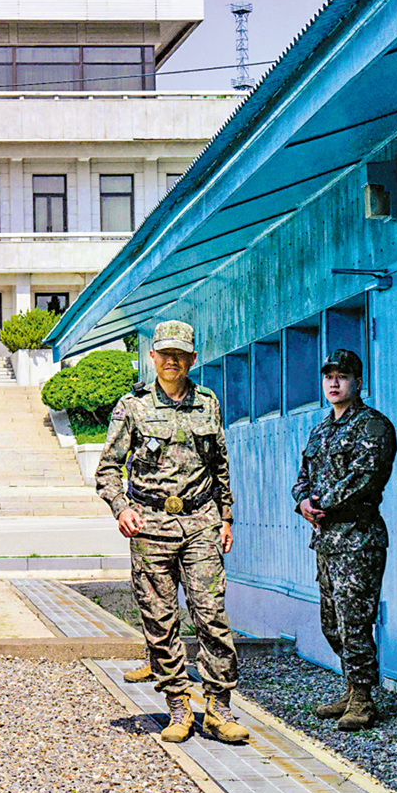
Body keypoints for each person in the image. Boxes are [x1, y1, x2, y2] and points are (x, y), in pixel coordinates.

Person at [95, 319, 248, 745]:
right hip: (150, 526)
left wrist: (227, 517)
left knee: (211, 616)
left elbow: (220, 465)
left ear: (192, 359)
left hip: (201, 523)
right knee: (160, 622)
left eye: (180, 355)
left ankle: (219, 708)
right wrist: (122, 509)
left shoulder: (208, 404)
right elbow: (107, 469)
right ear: (153, 357)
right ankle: (179, 708)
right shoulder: (132, 406)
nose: (171, 362)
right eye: (164, 354)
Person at [291, 349, 397, 731]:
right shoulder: (320, 429)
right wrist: (302, 501)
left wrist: (322, 503)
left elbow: (365, 477)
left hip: (358, 538)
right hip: (326, 540)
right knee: (332, 623)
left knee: (355, 621)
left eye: (342, 376)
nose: (334, 383)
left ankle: (364, 699)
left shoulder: (373, 426)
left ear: (358, 382)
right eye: (328, 376)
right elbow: (302, 474)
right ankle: (351, 689)